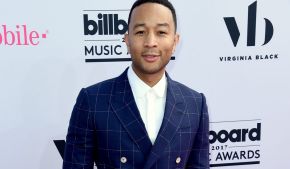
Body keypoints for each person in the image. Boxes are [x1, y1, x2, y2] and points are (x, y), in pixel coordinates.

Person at [63, 0, 209, 168]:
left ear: (175, 42)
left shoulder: (195, 104)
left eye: (161, 32)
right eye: (140, 32)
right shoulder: (92, 101)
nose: (150, 42)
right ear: (127, 40)